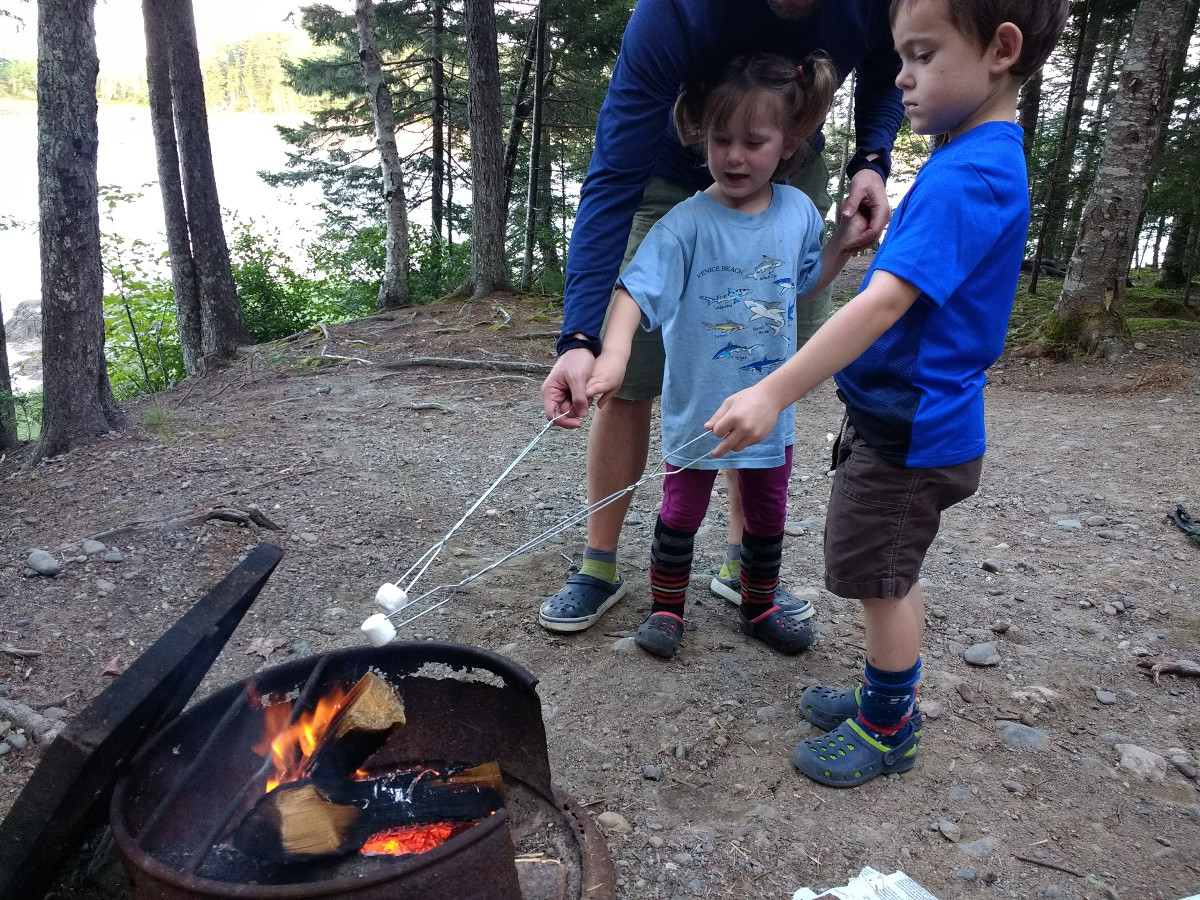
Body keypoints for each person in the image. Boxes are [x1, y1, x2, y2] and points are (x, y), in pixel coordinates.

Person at [705, 0, 1069, 785]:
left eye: (923, 54)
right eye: (901, 53)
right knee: (887, 575)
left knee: (881, 578)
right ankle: (883, 694)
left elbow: (883, 302)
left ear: (1001, 50)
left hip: (914, 432)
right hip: (899, 420)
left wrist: (772, 391)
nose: (900, 75)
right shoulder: (972, 155)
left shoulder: (969, 173)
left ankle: (887, 731)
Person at [538, 0, 904, 635]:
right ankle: (600, 563)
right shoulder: (675, 14)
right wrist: (583, 338)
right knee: (627, 386)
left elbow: (889, 62)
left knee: (765, 375)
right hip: (668, 176)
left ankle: (744, 570)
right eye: (725, 141)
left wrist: (871, 158)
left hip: (786, 181)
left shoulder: (865, 10)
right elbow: (613, 181)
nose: (735, 154)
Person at [585, 52, 863, 659]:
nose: (735, 156)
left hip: (768, 410)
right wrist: (614, 353)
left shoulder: (795, 210)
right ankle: (666, 608)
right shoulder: (686, 222)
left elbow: (805, 280)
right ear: (699, 137)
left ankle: (759, 604)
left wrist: (842, 244)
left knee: (766, 512)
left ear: (789, 142)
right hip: (699, 408)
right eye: (721, 140)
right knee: (681, 508)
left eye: (753, 142)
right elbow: (635, 291)